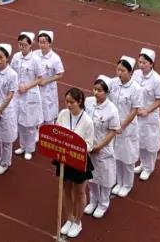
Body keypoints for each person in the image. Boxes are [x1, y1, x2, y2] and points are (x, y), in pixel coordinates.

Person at [56, 87, 96, 239]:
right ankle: (69, 218)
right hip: (64, 158)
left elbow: (89, 145)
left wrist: (75, 146)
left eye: (71, 102)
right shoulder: (63, 114)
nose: (68, 105)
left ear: (80, 101)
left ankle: (78, 222)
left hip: (79, 160)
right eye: (67, 101)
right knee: (66, 189)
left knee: (79, 192)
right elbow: (57, 131)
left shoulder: (87, 121)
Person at [84, 76, 121, 219]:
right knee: (91, 176)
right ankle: (93, 201)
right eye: (94, 89)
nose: (96, 93)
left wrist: (99, 146)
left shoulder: (112, 110)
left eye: (99, 90)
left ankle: (103, 204)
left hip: (103, 149)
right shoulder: (88, 102)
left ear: (107, 92)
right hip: (88, 146)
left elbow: (113, 131)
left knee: (105, 178)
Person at [109, 56, 142, 198]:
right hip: (113, 125)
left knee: (127, 158)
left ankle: (127, 184)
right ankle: (119, 181)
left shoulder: (136, 89)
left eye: (122, 70)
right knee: (116, 155)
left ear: (130, 72)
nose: (119, 73)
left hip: (127, 127)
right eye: (118, 69)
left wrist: (122, 125)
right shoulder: (113, 83)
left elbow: (135, 110)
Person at [11, 31, 45, 160]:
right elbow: (12, 73)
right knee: (20, 122)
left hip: (30, 94)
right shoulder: (16, 57)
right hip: (18, 94)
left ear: (30, 45)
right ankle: (23, 145)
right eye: (20, 44)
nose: (22, 47)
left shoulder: (35, 59)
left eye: (24, 45)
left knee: (30, 124)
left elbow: (40, 78)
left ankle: (30, 148)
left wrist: (26, 86)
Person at [135, 48, 160, 181]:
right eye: (140, 62)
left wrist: (147, 110)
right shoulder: (136, 74)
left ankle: (149, 168)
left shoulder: (156, 80)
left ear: (151, 64)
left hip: (149, 116)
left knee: (150, 143)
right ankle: (143, 163)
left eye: (144, 63)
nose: (141, 65)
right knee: (139, 141)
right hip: (137, 114)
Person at [0, 43, 19, 175]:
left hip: (5, 110)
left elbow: (10, 95)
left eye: (1, 57)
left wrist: (0, 109)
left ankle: (5, 163)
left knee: (6, 139)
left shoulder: (12, 74)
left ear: (7, 58)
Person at [36, 30, 65, 125]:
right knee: (37, 115)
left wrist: (46, 81)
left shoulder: (55, 58)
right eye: (40, 42)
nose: (42, 45)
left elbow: (60, 74)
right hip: (36, 88)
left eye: (44, 42)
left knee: (48, 117)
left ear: (49, 43)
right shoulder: (35, 54)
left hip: (48, 91)